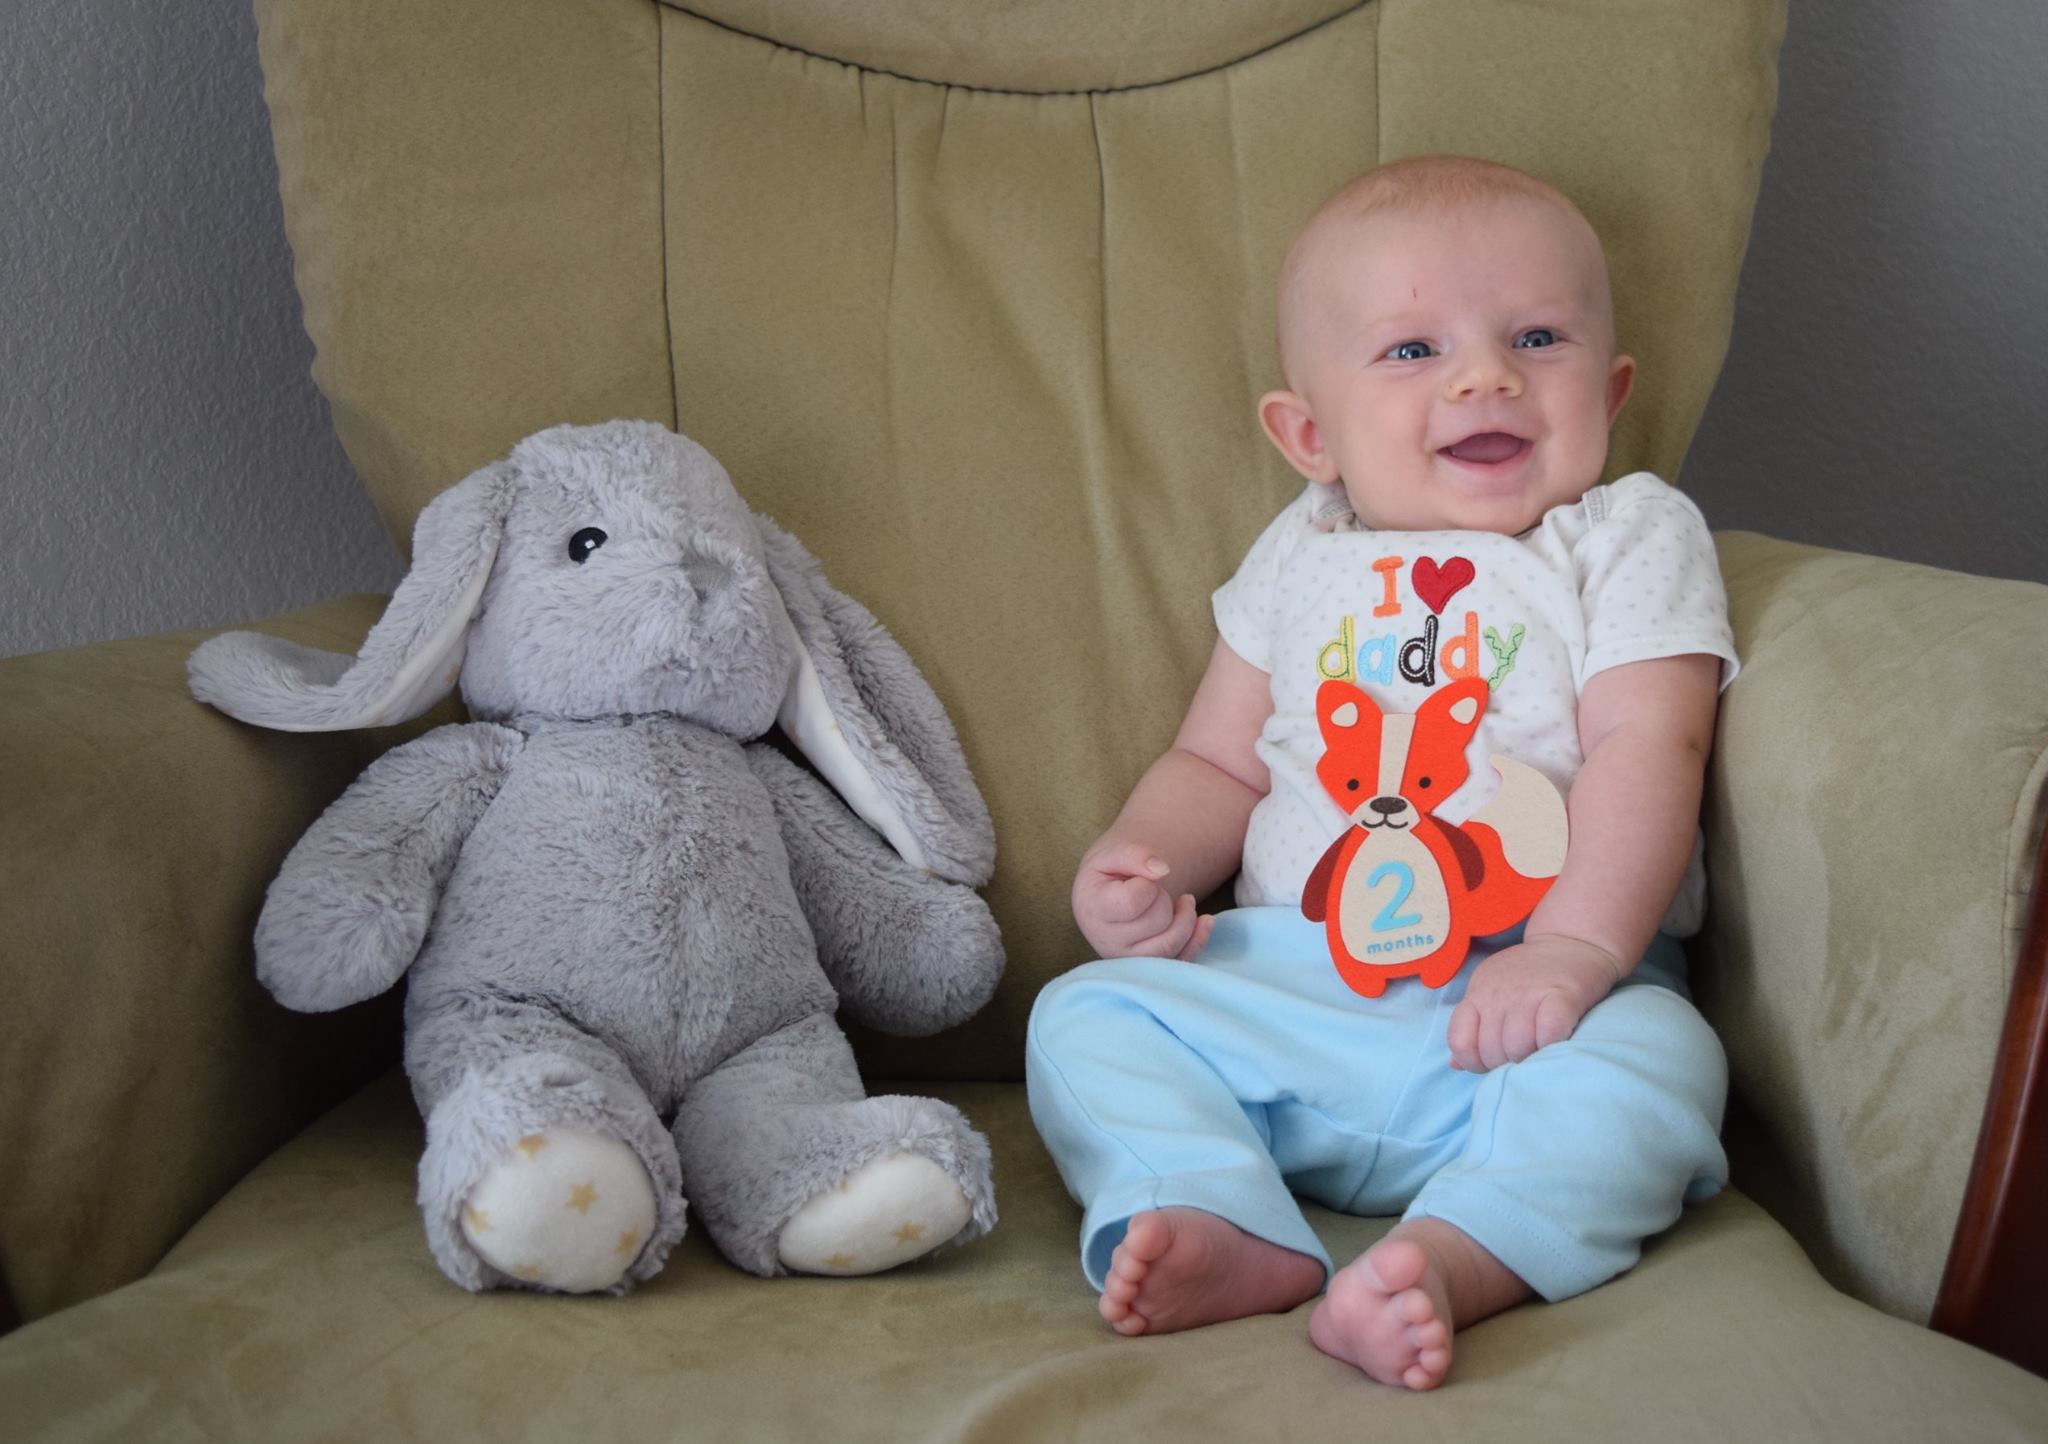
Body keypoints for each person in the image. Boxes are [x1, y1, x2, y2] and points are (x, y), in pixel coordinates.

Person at [1025, 155, 1739, 1390]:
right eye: (1413, 350)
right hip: (1299, 988)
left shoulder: (1624, 532)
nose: (1484, 376)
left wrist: (1571, 951)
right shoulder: (1297, 553)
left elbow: (1649, 744)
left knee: (1664, 1067)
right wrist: (1139, 865)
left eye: (1535, 338)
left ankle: (1446, 1259)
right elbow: (1213, 758)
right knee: (1085, 1013)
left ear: (1609, 391)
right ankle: (1215, 1211)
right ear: (1308, 435)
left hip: (1534, 1009)